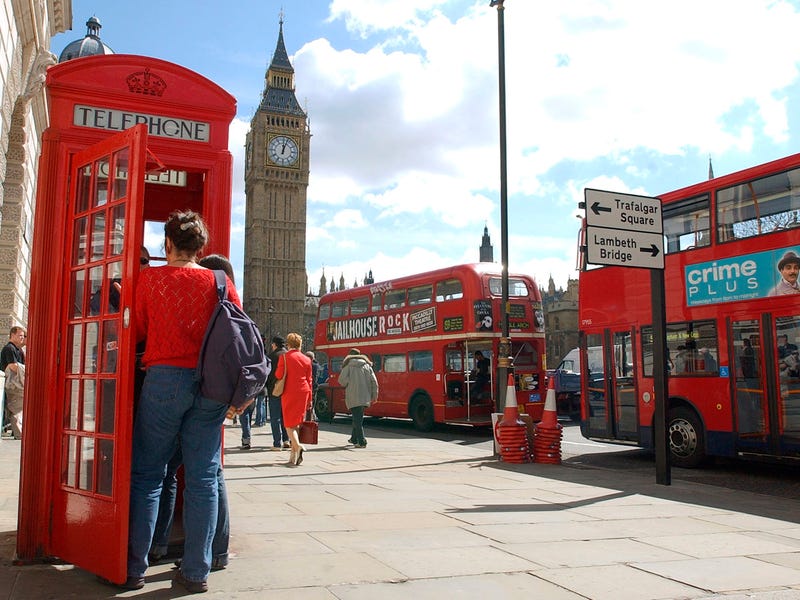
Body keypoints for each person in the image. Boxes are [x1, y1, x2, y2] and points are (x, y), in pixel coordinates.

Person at [125, 210, 244, 594]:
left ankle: (134, 568)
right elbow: (236, 331)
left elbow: (138, 329)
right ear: (201, 246)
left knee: (147, 477)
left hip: (164, 381)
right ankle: (196, 572)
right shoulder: (219, 281)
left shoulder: (150, 279)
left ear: (169, 244)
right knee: (203, 479)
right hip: (210, 387)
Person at [148, 254, 235, 571]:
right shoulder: (227, 297)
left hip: (182, 384)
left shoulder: (200, 293)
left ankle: (139, 558)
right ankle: (208, 557)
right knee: (208, 475)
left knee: (156, 473)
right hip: (213, 392)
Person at [272, 333, 313, 466]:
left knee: (289, 424)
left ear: (288, 344)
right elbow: (310, 380)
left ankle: (298, 446)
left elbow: (278, 374)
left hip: (290, 391)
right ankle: (292, 458)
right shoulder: (307, 359)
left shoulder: (285, 357)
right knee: (297, 424)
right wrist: (310, 399)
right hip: (304, 391)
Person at [338, 348, 378, 448]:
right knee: (357, 417)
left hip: (353, 395)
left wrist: (349, 382)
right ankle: (353, 438)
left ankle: (362, 441)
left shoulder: (348, 365)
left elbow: (341, 380)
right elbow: (374, 381)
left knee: (357, 419)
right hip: (365, 396)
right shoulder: (367, 366)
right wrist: (374, 395)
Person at [0, 326, 26, 439]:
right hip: (12, 385)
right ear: (13, 335)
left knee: (16, 408)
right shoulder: (9, 348)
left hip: (16, 384)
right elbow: (12, 366)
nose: (22, 338)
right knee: (16, 409)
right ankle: (19, 434)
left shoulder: (18, 349)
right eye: (20, 335)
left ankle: (16, 432)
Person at [266, 336, 290, 451]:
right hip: (287, 391)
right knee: (285, 416)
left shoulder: (271, 357)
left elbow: (268, 375)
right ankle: (286, 440)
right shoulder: (289, 356)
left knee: (275, 418)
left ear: (274, 344)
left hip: (274, 391)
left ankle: (277, 443)